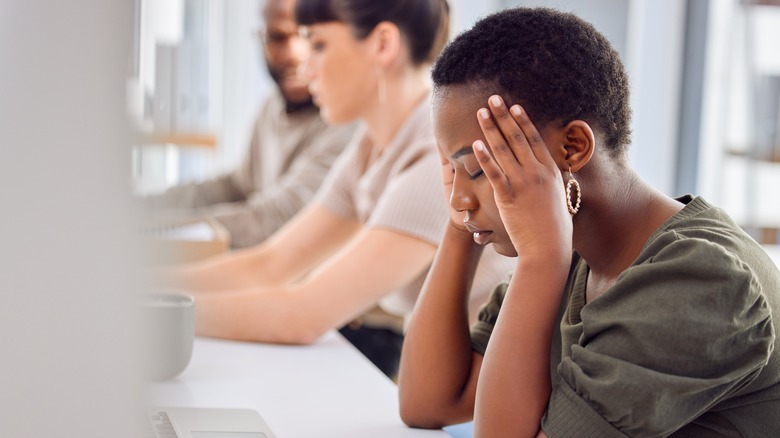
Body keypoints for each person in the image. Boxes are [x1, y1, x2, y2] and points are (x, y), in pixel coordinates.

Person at [398, 7, 780, 437]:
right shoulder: (577, 255)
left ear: (573, 147)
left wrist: (541, 259)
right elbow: (427, 402)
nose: (459, 197)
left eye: (480, 168)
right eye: (452, 169)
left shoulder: (702, 279)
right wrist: (460, 222)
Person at [151, 0, 514, 380]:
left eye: (318, 45)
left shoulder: (434, 153)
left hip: (493, 389)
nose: (305, 68)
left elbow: (304, 314)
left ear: (383, 44)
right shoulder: (369, 145)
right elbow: (271, 263)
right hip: (454, 376)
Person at [145, 0, 355, 249]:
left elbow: (272, 222)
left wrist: (155, 228)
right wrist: (144, 208)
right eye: (276, 37)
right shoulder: (273, 105)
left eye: (308, 37)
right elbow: (237, 186)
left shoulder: (347, 122)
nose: (294, 54)